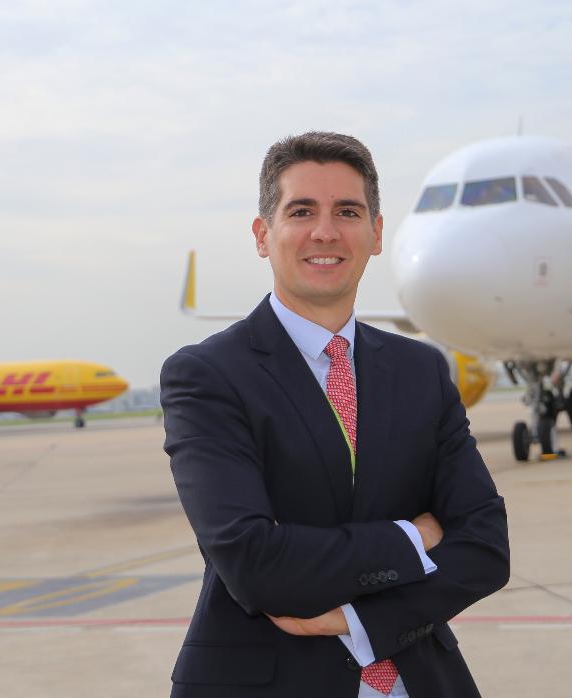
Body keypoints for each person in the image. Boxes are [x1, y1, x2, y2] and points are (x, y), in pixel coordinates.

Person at [160, 131, 510, 697]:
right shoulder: (206, 375)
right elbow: (254, 563)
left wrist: (357, 619)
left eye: (347, 211)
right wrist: (411, 538)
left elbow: (487, 548)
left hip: (418, 679)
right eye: (302, 211)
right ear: (262, 234)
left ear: (375, 234)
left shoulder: (421, 370)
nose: (325, 231)